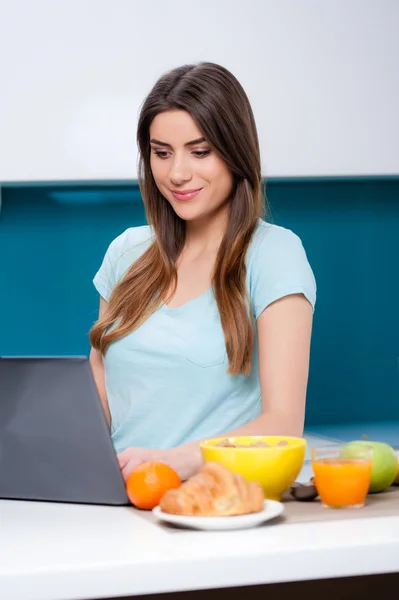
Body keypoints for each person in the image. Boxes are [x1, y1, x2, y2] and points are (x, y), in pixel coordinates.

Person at [89, 62, 316, 482]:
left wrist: (178, 460)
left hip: (212, 501)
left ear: (235, 152)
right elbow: (99, 383)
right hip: (119, 499)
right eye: (161, 153)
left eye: (200, 151)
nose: (177, 173)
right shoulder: (126, 252)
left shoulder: (275, 254)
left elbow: (283, 424)